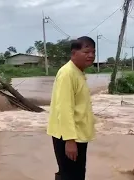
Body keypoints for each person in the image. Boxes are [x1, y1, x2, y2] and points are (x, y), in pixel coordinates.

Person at [47, 36, 96, 180]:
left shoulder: (78, 72)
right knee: (72, 175)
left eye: (93, 52)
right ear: (73, 53)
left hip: (77, 134)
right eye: (86, 52)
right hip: (68, 136)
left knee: (73, 174)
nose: (91, 56)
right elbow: (64, 109)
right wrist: (69, 140)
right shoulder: (67, 73)